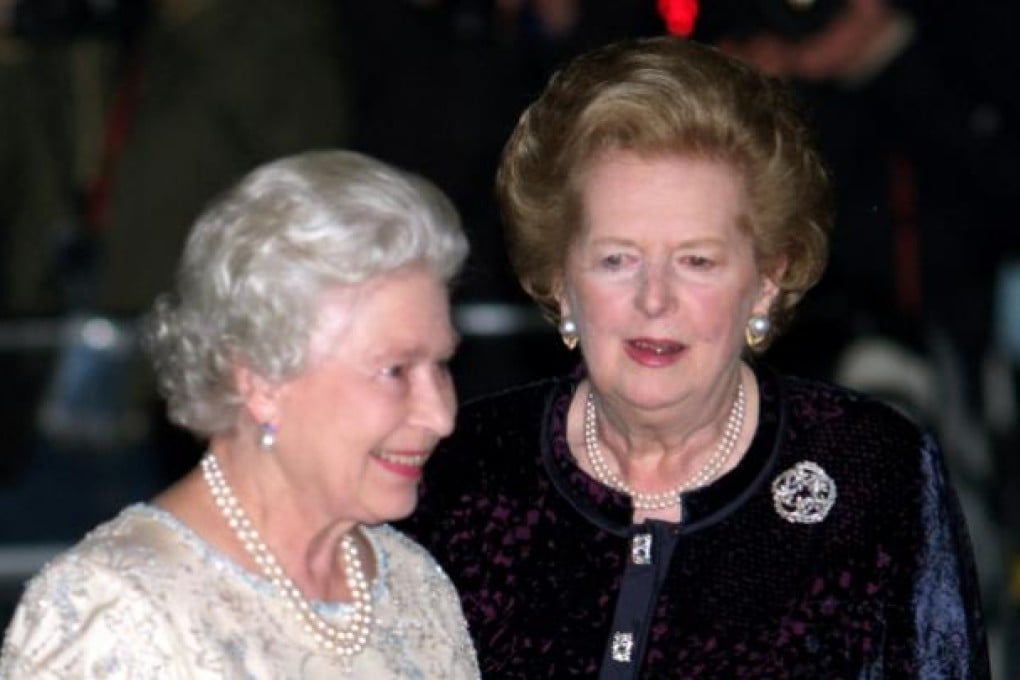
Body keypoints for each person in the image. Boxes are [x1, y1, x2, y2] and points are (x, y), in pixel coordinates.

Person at [397, 36, 990, 677]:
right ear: (560, 278)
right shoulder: (464, 469)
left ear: (766, 280)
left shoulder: (872, 471)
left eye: (697, 261)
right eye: (616, 259)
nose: (655, 299)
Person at [0, 150, 480, 678]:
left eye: (442, 365)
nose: (441, 416)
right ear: (260, 379)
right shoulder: (114, 615)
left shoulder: (415, 586)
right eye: (395, 371)